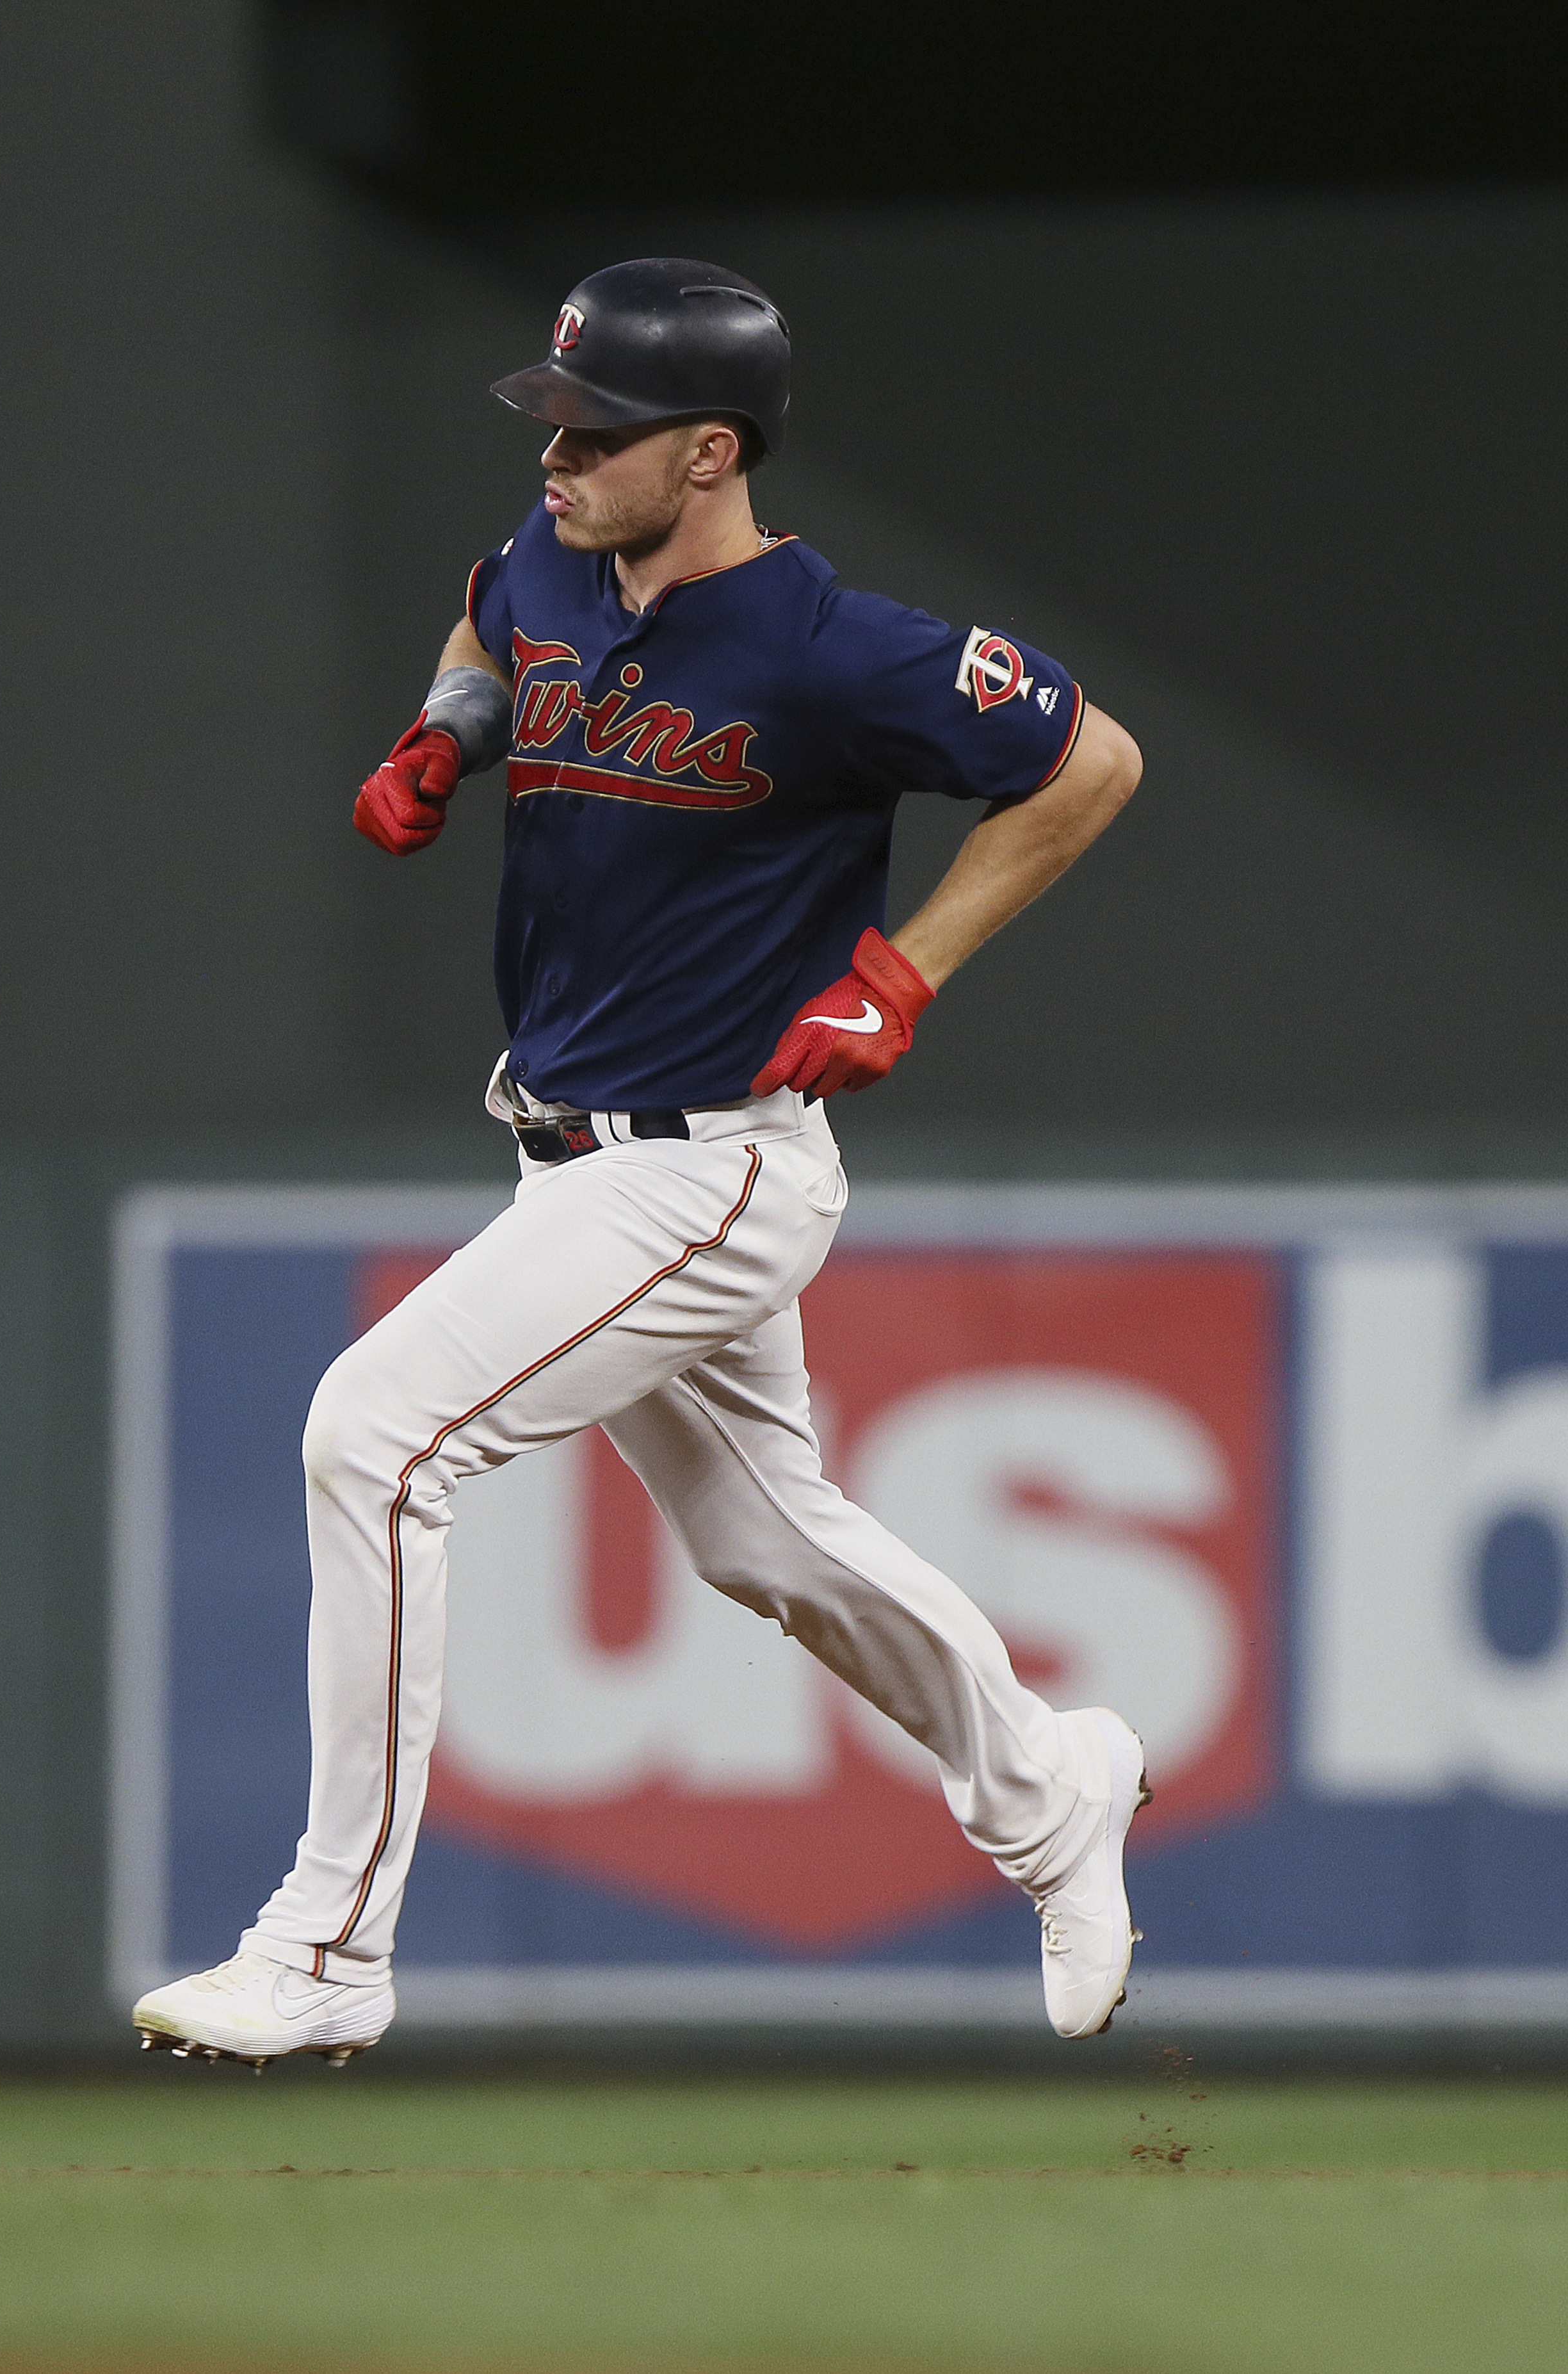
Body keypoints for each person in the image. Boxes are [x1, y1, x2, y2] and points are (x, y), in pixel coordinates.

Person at [134, 259, 1151, 2065]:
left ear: (707, 450)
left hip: (713, 1165)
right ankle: (1054, 1787)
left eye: (596, 429)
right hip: (573, 1152)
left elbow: (1089, 765)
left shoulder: (838, 646)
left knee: (371, 1438)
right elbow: (485, 621)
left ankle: (324, 1944)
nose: (556, 451)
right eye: (551, 414)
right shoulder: (550, 563)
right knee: (769, 1539)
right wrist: (448, 732)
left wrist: (903, 967)